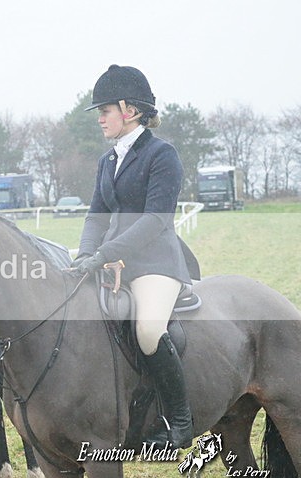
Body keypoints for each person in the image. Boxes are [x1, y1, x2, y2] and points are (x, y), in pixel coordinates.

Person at [72, 65, 195, 449]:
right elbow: (97, 215)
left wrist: (105, 252)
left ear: (130, 110)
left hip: (155, 263)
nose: (100, 119)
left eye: (105, 110)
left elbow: (154, 221)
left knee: (147, 331)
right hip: (111, 262)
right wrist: (86, 254)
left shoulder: (162, 154)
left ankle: (180, 421)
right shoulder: (107, 161)